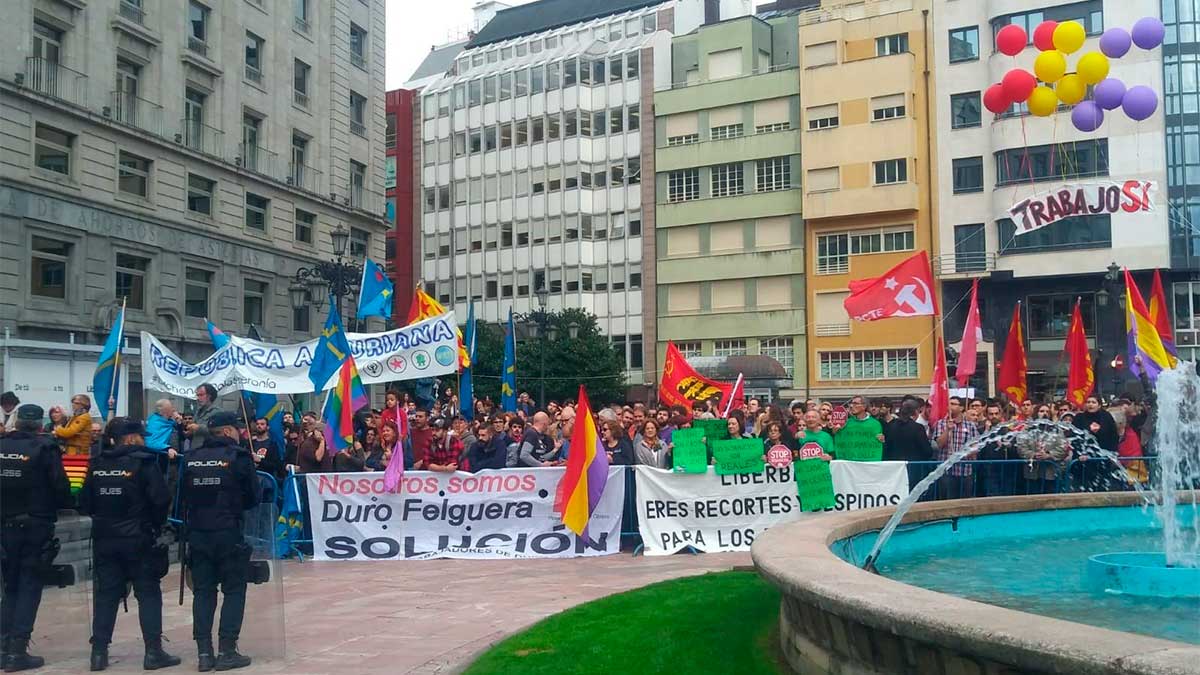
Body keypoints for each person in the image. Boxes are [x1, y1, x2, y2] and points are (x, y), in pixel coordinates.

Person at [78, 418, 179, 671]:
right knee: (147, 594)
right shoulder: (144, 462)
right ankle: (153, 652)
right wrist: (155, 525)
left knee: (107, 595)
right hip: (139, 539)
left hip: (105, 539)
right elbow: (160, 499)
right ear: (132, 437)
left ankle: (98, 653)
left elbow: (85, 503)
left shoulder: (97, 463)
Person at [180, 411, 257, 671]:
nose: (240, 433)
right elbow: (253, 497)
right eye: (237, 429)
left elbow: (181, 497)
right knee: (234, 590)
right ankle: (227, 650)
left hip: (198, 534)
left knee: (203, 592)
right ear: (227, 432)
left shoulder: (190, 458)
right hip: (228, 533)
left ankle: (204, 653)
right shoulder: (239, 457)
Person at [0, 405, 71, 671]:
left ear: (17, 422)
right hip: (35, 524)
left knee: (10, 587)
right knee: (30, 586)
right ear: (40, 424)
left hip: (5, 524)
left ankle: (4, 646)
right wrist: (68, 503)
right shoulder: (45, 448)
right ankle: (17, 651)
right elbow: (60, 485)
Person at [931, 397, 981, 499]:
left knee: (965, 500)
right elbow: (939, 444)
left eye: (953, 404)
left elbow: (977, 446)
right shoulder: (941, 423)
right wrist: (948, 430)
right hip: (946, 471)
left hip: (965, 470)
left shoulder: (970, 425)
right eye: (949, 403)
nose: (950, 406)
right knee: (946, 501)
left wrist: (967, 453)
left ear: (961, 408)